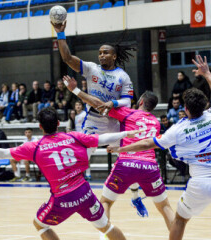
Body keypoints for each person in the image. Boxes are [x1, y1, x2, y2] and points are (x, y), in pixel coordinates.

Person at [108, 55, 211, 240]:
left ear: (185, 108)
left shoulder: (177, 129)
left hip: (198, 184)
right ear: (204, 106)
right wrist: (207, 73)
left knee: (179, 220)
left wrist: (121, 149)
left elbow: (148, 142)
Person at [0, 107, 137, 240]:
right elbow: (101, 139)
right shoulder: (73, 136)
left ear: (40, 127)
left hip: (62, 198)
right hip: (84, 192)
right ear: (58, 123)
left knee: (39, 224)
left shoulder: (35, 147)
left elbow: (3, 152)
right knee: (106, 227)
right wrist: (125, 134)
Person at [52, 20, 146, 214]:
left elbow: (128, 101)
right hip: (94, 121)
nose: (101, 55)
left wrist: (113, 103)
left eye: (105, 52)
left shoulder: (122, 76)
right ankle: (71, 194)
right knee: (81, 158)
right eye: (100, 52)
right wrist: (60, 33)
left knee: (129, 160)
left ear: (114, 55)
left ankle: (136, 197)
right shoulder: (91, 68)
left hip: (115, 121)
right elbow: (67, 58)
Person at [64, 76, 175, 233]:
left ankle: (106, 237)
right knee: (165, 207)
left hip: (126, 163)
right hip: (149, 165)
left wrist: (75, 90)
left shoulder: (128, 114)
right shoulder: (156, 123)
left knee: (106, 202)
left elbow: (98, 105)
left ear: (141, 102)